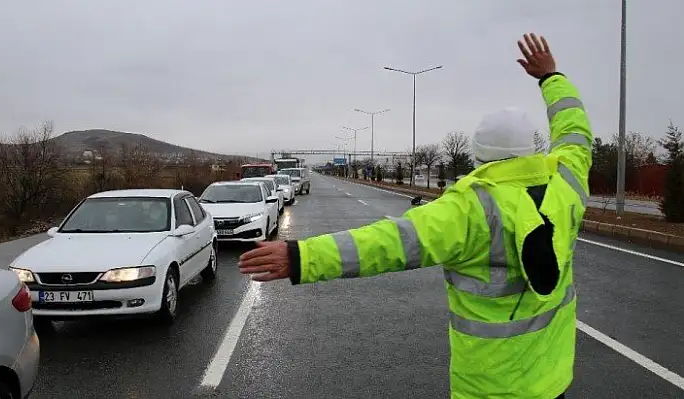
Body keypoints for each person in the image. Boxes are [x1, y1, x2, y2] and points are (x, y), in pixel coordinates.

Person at [238, 33, 592, 399]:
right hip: (553, 381)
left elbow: (386, 244)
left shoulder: (469, 208)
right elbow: (575, 131)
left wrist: (300, 257)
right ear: (530, 148)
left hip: (490, 387)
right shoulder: (567, 182)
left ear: (479, 156)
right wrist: (551, 77)